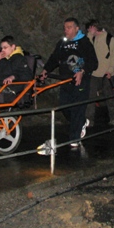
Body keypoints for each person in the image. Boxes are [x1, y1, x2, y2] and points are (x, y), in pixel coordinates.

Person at [39, 17, 98, 150]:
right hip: (65, 80)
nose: (66, 30)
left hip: (80, 81)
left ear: (77, 28)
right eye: (65, 27)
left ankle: (75, 138)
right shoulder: (62, 43)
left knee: (77, 108)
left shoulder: (84, 43)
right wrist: (46, 70)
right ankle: (81, 122)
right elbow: (55, 58)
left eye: (69, 27)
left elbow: (93, 62)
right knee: (64, 106)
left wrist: (82, 71)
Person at [84, 20, 114, 127]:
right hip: (94, 73)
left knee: (109, 96)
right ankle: (89, 120)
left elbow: (113, 56)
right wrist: (90, 35)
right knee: (90, 96)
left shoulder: (110, 39)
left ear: (94, 27)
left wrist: (110, 70)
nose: (88, 31)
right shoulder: (93, 37)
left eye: (89, 28)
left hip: (106, 73)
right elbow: (87, 48)